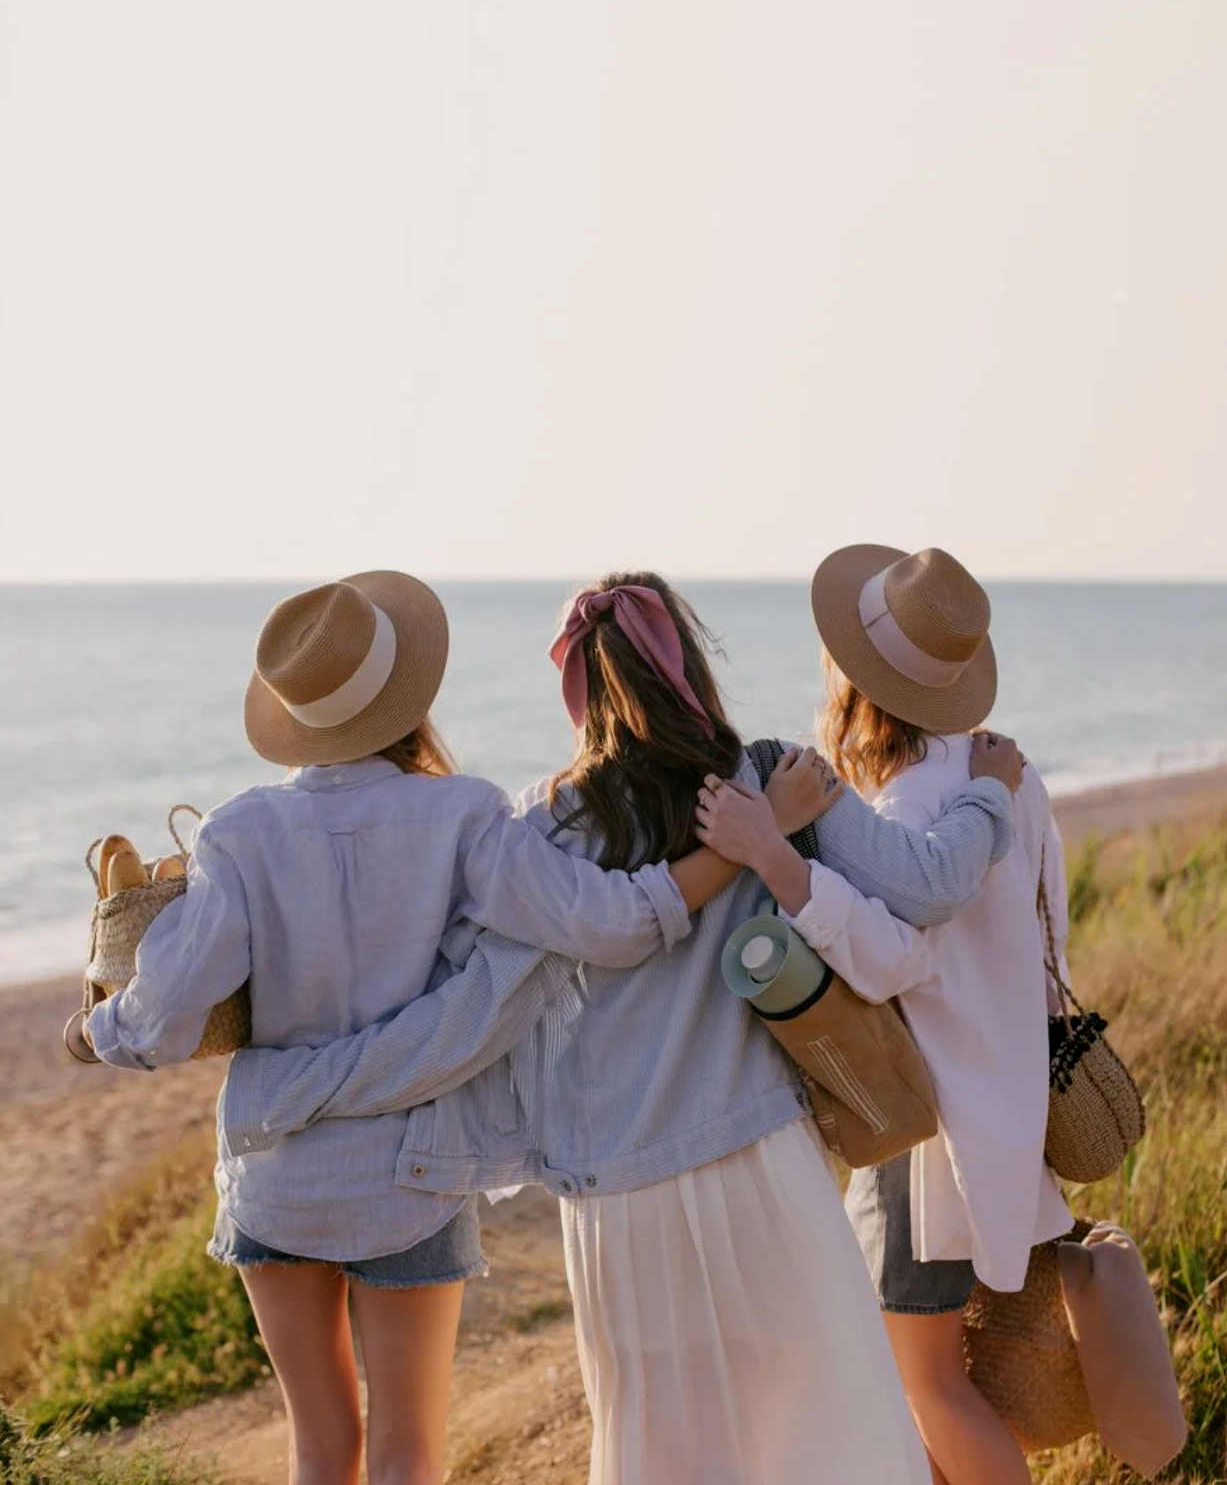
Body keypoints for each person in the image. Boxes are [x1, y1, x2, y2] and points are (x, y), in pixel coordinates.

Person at [220, 570, 1026, 1485]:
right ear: (689, 661)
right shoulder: (768, 778)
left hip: (616, 1199)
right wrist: (986, 794)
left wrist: (301, 1073)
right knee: (818, 1441)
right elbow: (930, 884)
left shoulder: (543, 826)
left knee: (667, 1454)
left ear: (579, 687)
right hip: (760, 1160)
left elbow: (457, 998)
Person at [85, 570, 801, 1485]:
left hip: (278, 1165)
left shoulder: (240, 833)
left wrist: (95, 1033)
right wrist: (751, 843)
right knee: (409, 1454)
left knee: (319, 1449)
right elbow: (614, 924)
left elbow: (163, 1017)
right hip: (411, 1173)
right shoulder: (463, 816)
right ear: (404, 696)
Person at [696, 545, 1071, 1485]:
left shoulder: (904, 802)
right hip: (999, 1105)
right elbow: (1049, 929)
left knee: (928, 1388)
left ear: (856, 677)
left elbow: (894, 958)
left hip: (924, 1128)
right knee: (933, 1391)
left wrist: (779, 863)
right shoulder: (1009, 778)